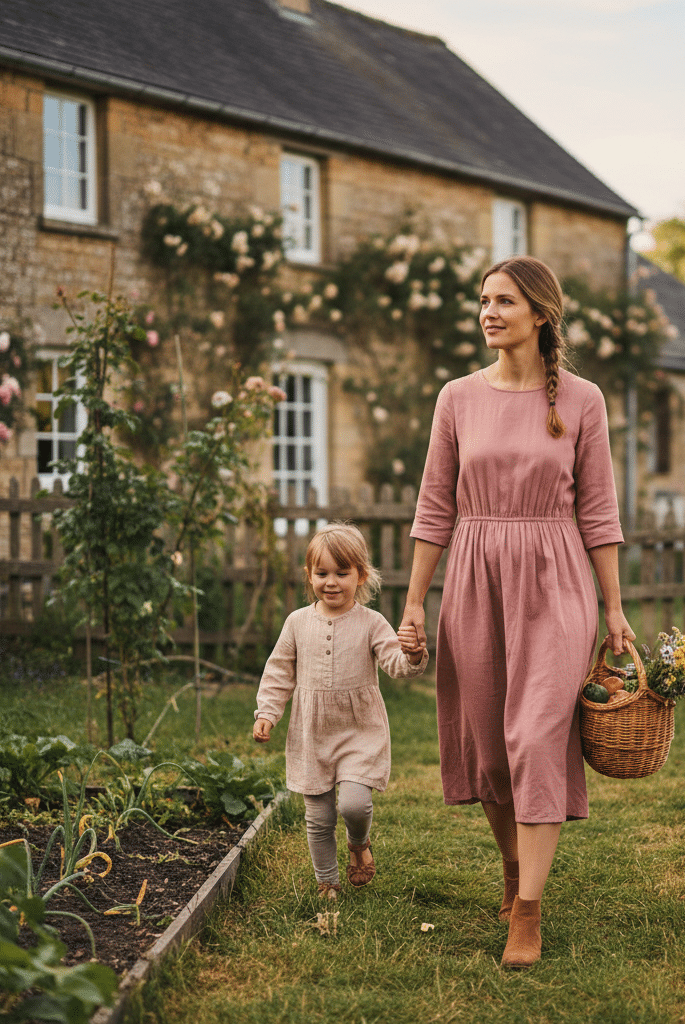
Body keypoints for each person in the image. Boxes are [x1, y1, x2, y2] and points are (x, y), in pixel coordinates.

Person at [398, 255, 635, 968]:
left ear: (541, 315)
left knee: (535, 734)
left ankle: (528, 910)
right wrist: (413, 601)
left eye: (504, 301)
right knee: (489, 742)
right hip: (474, 576)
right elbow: (435, 505)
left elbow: (598, 511)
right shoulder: (457, 398)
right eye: (483, 300)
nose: (488, 312)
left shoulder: (583, 401)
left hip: (556, 581)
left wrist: (615, 608)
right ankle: (511, 864)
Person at [254, 521, 428, 899]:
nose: (331, 582)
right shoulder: (297, 623)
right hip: (311, 734)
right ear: (309, 575)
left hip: (358, 730)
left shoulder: (371, 623)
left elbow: (395, 664)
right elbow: (279, 671)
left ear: (360, 575)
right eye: (321, 573)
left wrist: (412, 655)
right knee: (318, 817)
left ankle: (358, 842)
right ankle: (327, 881)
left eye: (341, 573)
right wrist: (267, 713)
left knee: (353, 804)